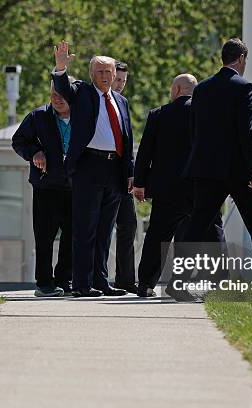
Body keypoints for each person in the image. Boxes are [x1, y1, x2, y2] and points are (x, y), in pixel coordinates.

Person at [183, 38, 252, 280]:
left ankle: (178, 281)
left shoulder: (202, 89)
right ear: (242, 59)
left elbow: (194, 131)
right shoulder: (244, 87)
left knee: (196, 228)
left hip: (206, 170)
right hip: (239, 171)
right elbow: (247, 133)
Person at [51, 40, 133, 297]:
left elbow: (127, 137)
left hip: (114, 169)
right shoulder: (82, 93)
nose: (106, 76)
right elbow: (63, 87)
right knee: (85, 229)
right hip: (89, 166)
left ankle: (100, 281)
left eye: (109, 72)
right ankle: (82, 284)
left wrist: (129, 172)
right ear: (91, 74)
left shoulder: (121, 101)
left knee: (105, 230)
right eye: (100, 72)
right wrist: (61, 67)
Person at [133, 74, 225, 298]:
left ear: (175, 90)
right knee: (211, 235)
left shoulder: (159, 114)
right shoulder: (209, 114)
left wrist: (140, 183)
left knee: (157, 236)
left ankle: (146, 283)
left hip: (168, 189)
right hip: (201, 186)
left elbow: (145, 152)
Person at [11, 80, 75, 296]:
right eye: (53, 93)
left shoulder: (85, 117)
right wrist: (35, 152)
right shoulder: (38, 116)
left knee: (72, 237)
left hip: (75, 187)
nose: (56, 98)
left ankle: (64, 280)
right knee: (44, 237)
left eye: (61, 94)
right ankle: (44, 284)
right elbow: (18, 140)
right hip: (46, 186)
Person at [110, 60, 138, 294]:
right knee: (99, 228)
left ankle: (126, 279)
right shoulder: (94, 101)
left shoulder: (123, 103)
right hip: (99, 173)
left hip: (122, 176)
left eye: (123, 81)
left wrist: (132, 174)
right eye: (117, 79)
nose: (119, 85)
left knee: (129, 225)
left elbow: (127, 142)